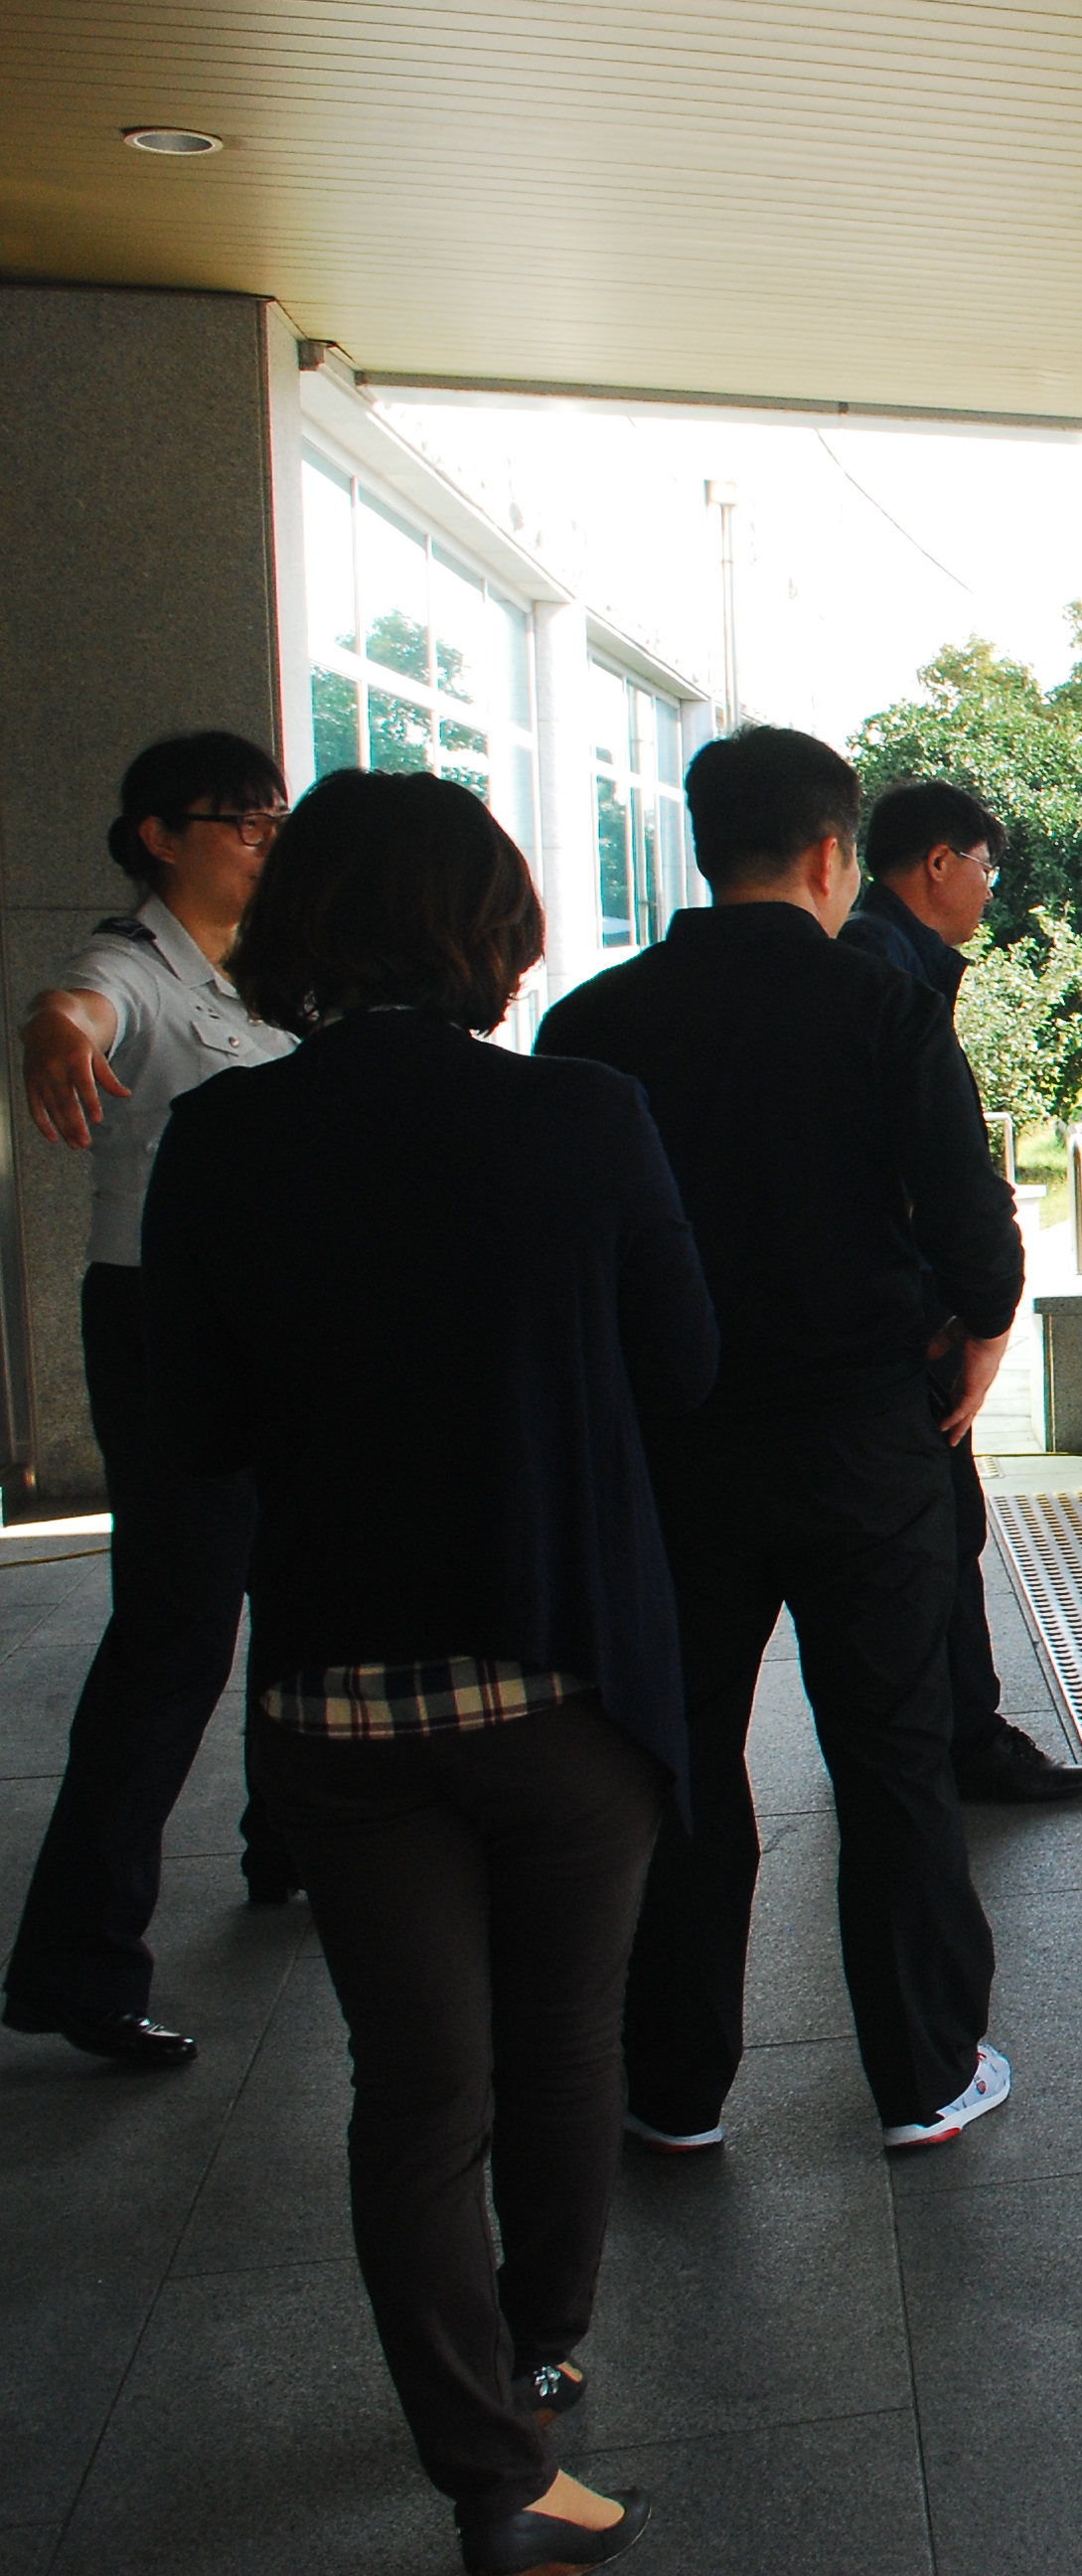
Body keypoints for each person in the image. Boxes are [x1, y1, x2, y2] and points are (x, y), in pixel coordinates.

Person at [143, 769, 710, 2576]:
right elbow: (680, 1370)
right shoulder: (587, 1118)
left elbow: (197, 1424)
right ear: (492, 928)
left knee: (418, 2087)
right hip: (563, 1683)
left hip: (336, 1706)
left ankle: (489, 2470)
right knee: (562, 2046)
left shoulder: (222, 1141)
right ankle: (543, 2344)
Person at [539, 725, 1025, 2155]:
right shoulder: (880, 1011)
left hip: (674, 1450)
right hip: (865, 1439)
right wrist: (967, 1330)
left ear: (701, 843)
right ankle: (926, 2072)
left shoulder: (592, 1022)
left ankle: (673, 2086)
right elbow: (975, 1236)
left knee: (680, 1756)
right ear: (831, 853)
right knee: (890, 1754)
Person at [2, 732, 299, 2067]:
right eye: (238, 823)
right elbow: (79, 1008)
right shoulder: (133, 962)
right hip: (162, 1321)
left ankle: (291, 1841)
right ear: (156, 836)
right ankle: (75, 1959)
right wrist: (51, 1032)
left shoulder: (274, 972)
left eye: (272, 820)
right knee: (177, 1631)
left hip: (278, 1311)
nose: (261, 842)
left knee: (303, 1576)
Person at [838, 777, 1082, 1807]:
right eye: (984, 866)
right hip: (906, 1327)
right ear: (936, 863)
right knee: (936, 1534)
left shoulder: (885, 959)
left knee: (947, 1530)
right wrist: (981, 1315)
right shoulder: (881, 973)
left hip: (900, 1316)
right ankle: (958, 1743)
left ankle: (955, 1733)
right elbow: (928, 1170)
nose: (989, 889)